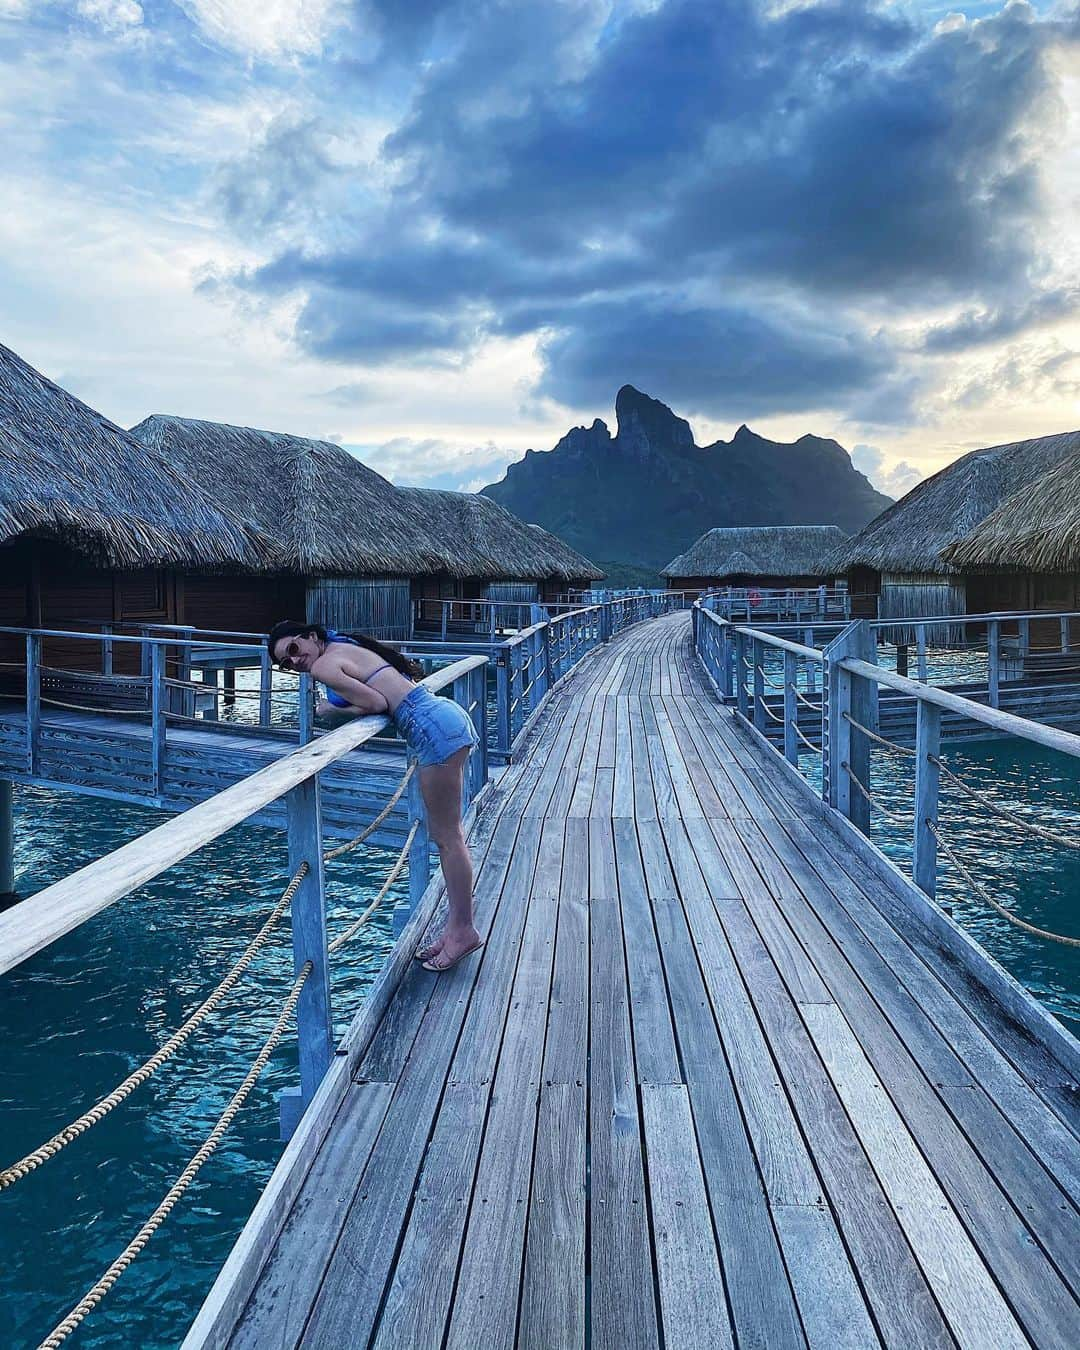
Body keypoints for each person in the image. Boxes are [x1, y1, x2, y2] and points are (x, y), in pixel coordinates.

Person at [267, 621, 482, 972]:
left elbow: (375, 701)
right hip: (442, 716)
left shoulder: (323, 664)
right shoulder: (344, 646)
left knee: (447, 838)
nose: (295, 662)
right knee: (449, 836)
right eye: (285, 663)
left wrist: (331, 712)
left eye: (293, 649)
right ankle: (455, 928)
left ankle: (463, 931)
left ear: (310, 636)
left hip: (431, 730)